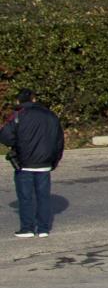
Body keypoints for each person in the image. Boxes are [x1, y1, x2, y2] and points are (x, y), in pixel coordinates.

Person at [0, 89, 63, 238]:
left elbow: (4, 136)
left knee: (25, 196)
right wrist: (54, 160)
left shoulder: (18, 115)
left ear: (18, 101)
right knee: (43, 196)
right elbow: (58, 140)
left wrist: (16, 145)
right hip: (45, 162)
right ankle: (43, 228)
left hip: (24, 162)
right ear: (34, 99)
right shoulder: (50, 115)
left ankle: (27, 228)